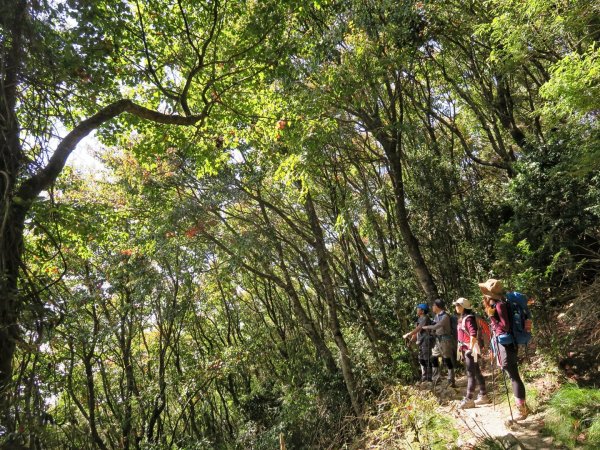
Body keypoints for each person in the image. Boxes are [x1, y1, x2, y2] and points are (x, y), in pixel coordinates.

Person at [479, 278, 530, 420]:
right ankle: (522, 407)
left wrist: (492, 318)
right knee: (513, 375)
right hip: (506, 343)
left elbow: (505, 326)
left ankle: (522, 410)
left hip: (506, 345)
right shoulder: (499, 304)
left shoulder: (499, 305)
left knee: (514, 376)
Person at [454, 297, 489, 408]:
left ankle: (469, 399)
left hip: (470, 349)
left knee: (470, 374)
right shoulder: (462, 318)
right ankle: (483, 395)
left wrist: (470, 349)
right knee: (476, 371)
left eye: (458, 305)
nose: (456, 307)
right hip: (466, 349)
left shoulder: (468, 318)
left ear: (464, 307)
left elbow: (473, 334)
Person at [422, 299, 456, 387]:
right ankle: (436, 378)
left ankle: (451, 379)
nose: (432, 307)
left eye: (433, 305)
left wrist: (427, 327)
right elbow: (435, 326)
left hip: (445, 340)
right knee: (433, 357)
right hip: (438, 340)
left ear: (437, 306)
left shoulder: (445, 316)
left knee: (447, 359)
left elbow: (438, 325)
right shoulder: (437, 316)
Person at [403, 303, 434, 383]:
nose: (417, 310)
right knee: (421, 359)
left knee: (427, 359)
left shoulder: (425, 318)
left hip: (426, 341)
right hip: (420, 342)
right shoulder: (419, 319)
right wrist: (411, 340)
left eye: (418, 309)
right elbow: (417, 332)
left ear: (422, 311)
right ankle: (424, 377)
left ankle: (429, 377)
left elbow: (419, 328)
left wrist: (408, 334)